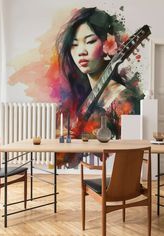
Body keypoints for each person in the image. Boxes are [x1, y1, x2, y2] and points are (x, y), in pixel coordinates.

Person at [55, 7, 143, 168]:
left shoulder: (123, 100)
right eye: (74, 45)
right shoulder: (79, 95)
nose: (81, 51)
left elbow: (128, 153)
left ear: (108, 45)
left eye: (90, 41)